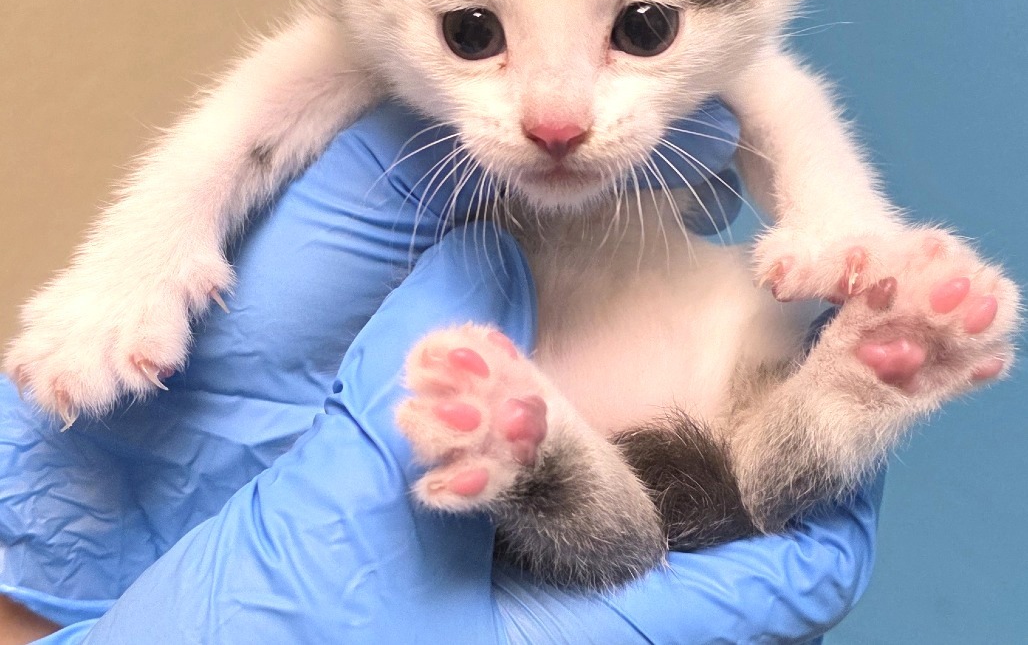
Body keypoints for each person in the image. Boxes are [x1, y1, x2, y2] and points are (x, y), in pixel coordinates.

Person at [0, 100, 880, 643]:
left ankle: (848, 395)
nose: (557, 113)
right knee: (608, 533)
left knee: (732, 490)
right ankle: (842, 396)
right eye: (473, 30)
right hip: (516, 458)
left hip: (615, 420)